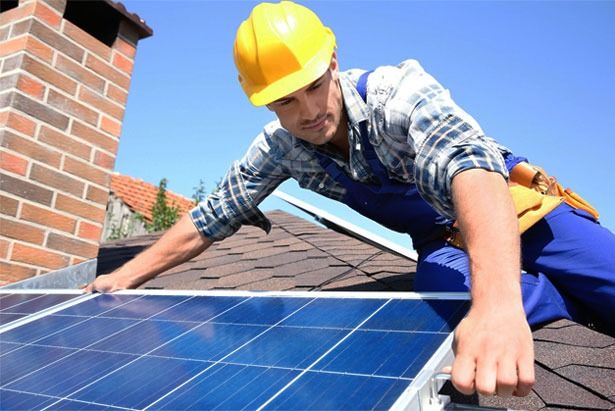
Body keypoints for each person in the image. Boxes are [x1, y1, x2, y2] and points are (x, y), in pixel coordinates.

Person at [85, 0, 615, 398]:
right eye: (284, 101)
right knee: (442, 295)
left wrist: (498, 305)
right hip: (441, 240)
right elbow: (209, 218)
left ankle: (553, 287)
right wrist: (125, 277)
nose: (308, 111)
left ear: (333, 59)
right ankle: (564, 301)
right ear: (264, 102)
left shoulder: (396, 93)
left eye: (314, 85)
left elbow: (469, 166)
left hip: (523, 212)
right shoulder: (279, 150)